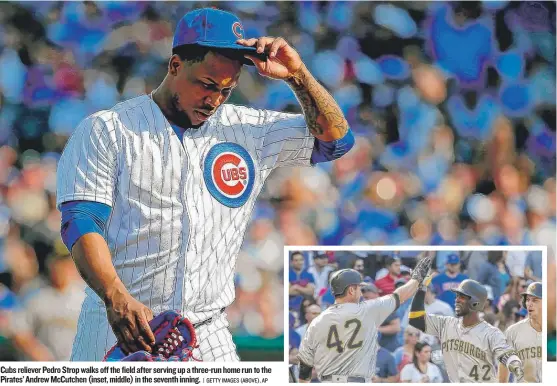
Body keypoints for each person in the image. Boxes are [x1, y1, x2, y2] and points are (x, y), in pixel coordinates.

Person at [56, 8, 353, 361]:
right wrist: (113, 293)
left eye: (227, 90)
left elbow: (336, 142)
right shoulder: (108, 129)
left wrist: (298, 76)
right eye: (208, 85)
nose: (215, 99)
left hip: (206, 333)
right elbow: (82, 219)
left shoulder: (248, 129)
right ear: (176, 65)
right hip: (120, 325)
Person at [296, 252, 434, 383]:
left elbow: (304, 365)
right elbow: (400, 295)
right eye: (358, 288)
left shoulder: (318, 320)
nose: (361, 292)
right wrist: (416, 279)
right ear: (351, 290)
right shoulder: (367, 309)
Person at [409, 279, 525, 382]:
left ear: (475, 303)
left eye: (462, 297)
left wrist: (514, 364)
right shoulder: (446, 324)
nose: (457, 300)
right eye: (457, 296)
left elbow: (506, 353)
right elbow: (416, 320)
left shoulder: (491, 333)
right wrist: (421, 288)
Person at [498, 282, 542, 383]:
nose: (529, 304)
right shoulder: (513, 331)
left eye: (535, 300)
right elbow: (504, 366)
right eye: (527, 300)